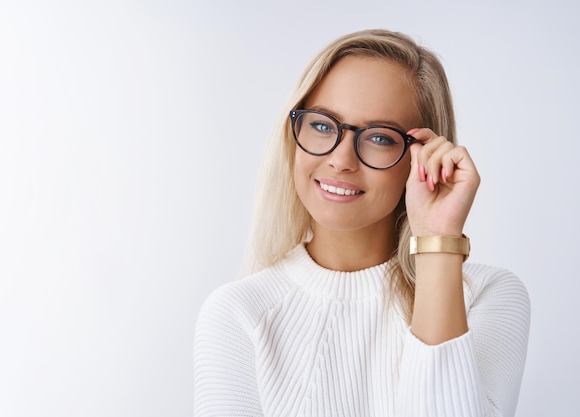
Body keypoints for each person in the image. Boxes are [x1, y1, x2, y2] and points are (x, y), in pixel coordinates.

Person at [193, 29, 530, 417]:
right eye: (322, 125)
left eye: (379, 137)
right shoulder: (238, 313)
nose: (340, 159)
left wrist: (437, 239)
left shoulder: (488, 297)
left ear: (422, 155)